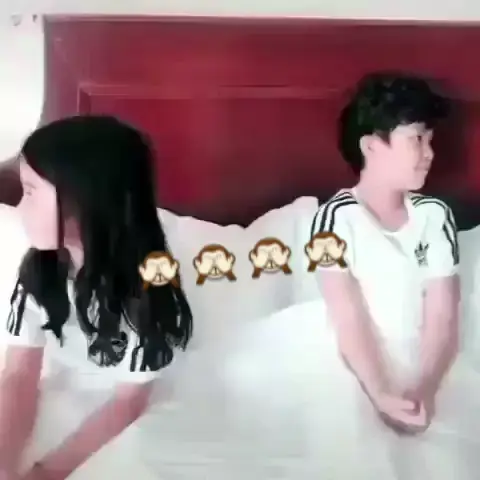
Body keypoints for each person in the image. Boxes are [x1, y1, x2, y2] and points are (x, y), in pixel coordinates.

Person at [199, 73, 480, 479]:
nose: (429, 153)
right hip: (350, 354)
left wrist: (426, 384)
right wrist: (381, 391)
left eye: (430, 140)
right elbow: (348, 315)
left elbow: (442, 315)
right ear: (372, 146)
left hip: (426, 357)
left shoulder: (434, 217)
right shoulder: (335, 218)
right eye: (417, 139)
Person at [0, 116, 193, 479]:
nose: (19, 208)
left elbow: (128, 401)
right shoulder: (41, 267)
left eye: (30, 192)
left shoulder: (148, 291)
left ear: (85, 200)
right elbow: (19, 371)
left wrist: (43, 474)